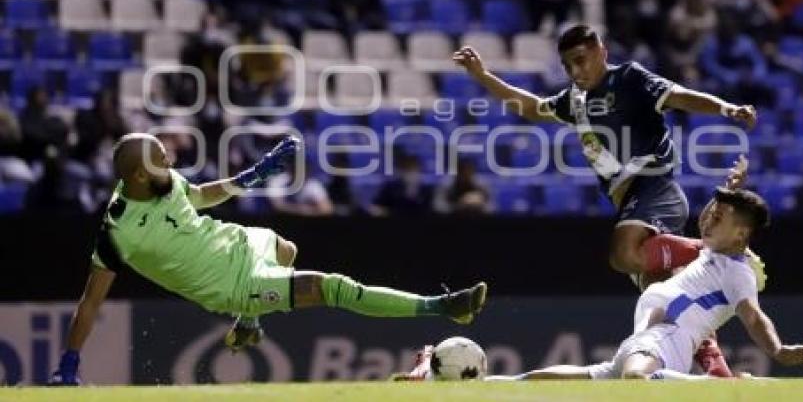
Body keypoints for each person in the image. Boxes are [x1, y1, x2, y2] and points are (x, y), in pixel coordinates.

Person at [48, 133, 487, 386]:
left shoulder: (165, 181)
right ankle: (443, 306)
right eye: (162, 159)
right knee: (331, 286)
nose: (172, 161)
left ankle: (249, 322)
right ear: (140, 175)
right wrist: (69, 365)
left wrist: (252, 175)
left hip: (236, 243)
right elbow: (90, 301)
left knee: (286, 249)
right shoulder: (118, 231)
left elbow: (197, 196)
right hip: (231, 285)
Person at [454, 24, 758, 375]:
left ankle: (706, 250)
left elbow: (678, 96)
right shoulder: (575, 101)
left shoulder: (629, 79)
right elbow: (531, 108)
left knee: (624, 252)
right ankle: (717, 368)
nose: (575, 71)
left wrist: (727, 109)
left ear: (602, 52)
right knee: (660, 297)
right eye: (567, 65)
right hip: (632, 201)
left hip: (655, 186)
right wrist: (483, 75)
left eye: (581, 60)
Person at [489, 183, 803, 381]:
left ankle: (717, 387)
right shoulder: (714, 250)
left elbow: (753, 316)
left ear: (741, 234)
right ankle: (492, 383)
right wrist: (730, 188)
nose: (707, 219)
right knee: (566, 378)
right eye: (710, 213)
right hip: (652, 332)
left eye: (717, 218)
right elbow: (719, 219)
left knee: (635, 377)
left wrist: (777, 350)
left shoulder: (737, 272)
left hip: (670, 333)